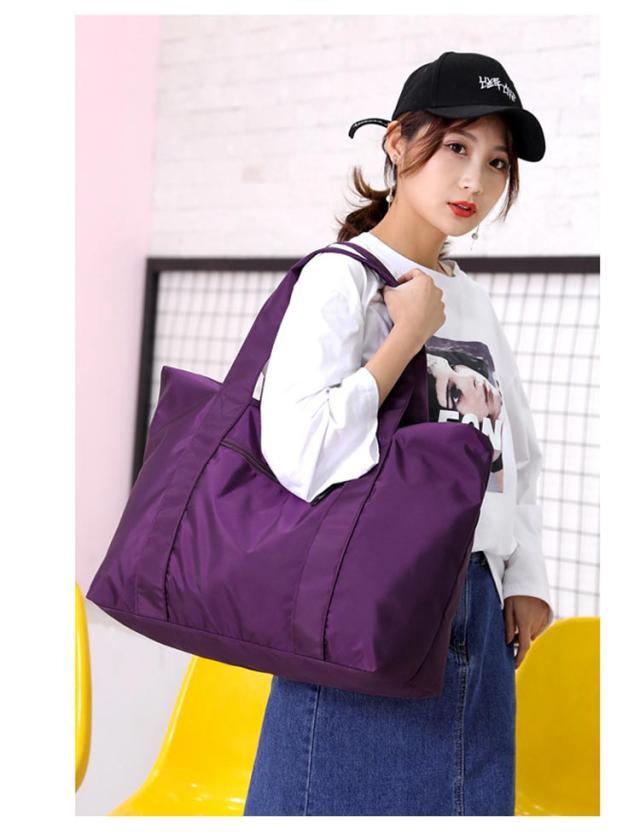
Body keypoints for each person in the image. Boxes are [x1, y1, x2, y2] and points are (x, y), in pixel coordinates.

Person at [243, 51, 554, 817]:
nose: (475, 180)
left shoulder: (471, 300)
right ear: (396, 142)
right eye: (456, 147)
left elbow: (511, 454)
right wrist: (403, 339)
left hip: (476, 609)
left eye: (497, 161)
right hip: (368, 600)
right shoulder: (340, 278)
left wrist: (524, 578)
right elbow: (300, 455)